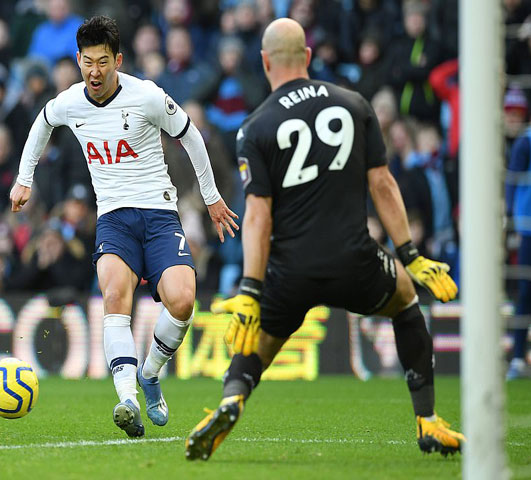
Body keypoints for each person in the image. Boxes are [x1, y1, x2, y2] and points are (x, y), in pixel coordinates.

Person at [185, 18, 464, 461]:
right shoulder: (355, 104)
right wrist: (409, 254)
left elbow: (257, 215)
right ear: (308, 57)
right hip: (355, 259)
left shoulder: (255, 127)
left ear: (264, 61)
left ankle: (231, 399)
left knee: (260, 343)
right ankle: (427, 420)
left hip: (290, 270)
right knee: (406, 301)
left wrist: (251, 290)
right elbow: (384, 185)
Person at [9, 16, 238, 438]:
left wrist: (211, 197)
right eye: (86, 62)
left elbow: (191, 136)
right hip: (113, 217)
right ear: (78, 59)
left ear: (118, 60)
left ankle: (150, 376)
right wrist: (25, 177)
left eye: (102, 62)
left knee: (183, 302)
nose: (94, 72)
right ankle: (127, 398)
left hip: (159, 214)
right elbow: (42, 122)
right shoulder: (71, 101)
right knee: (115, 295)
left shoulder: (147, 96)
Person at [505, 107, 531, 380]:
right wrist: (510, 220)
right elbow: (512, 183)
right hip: (529, 229)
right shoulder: (527, 141)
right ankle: (516, 357)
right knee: (526, 291)